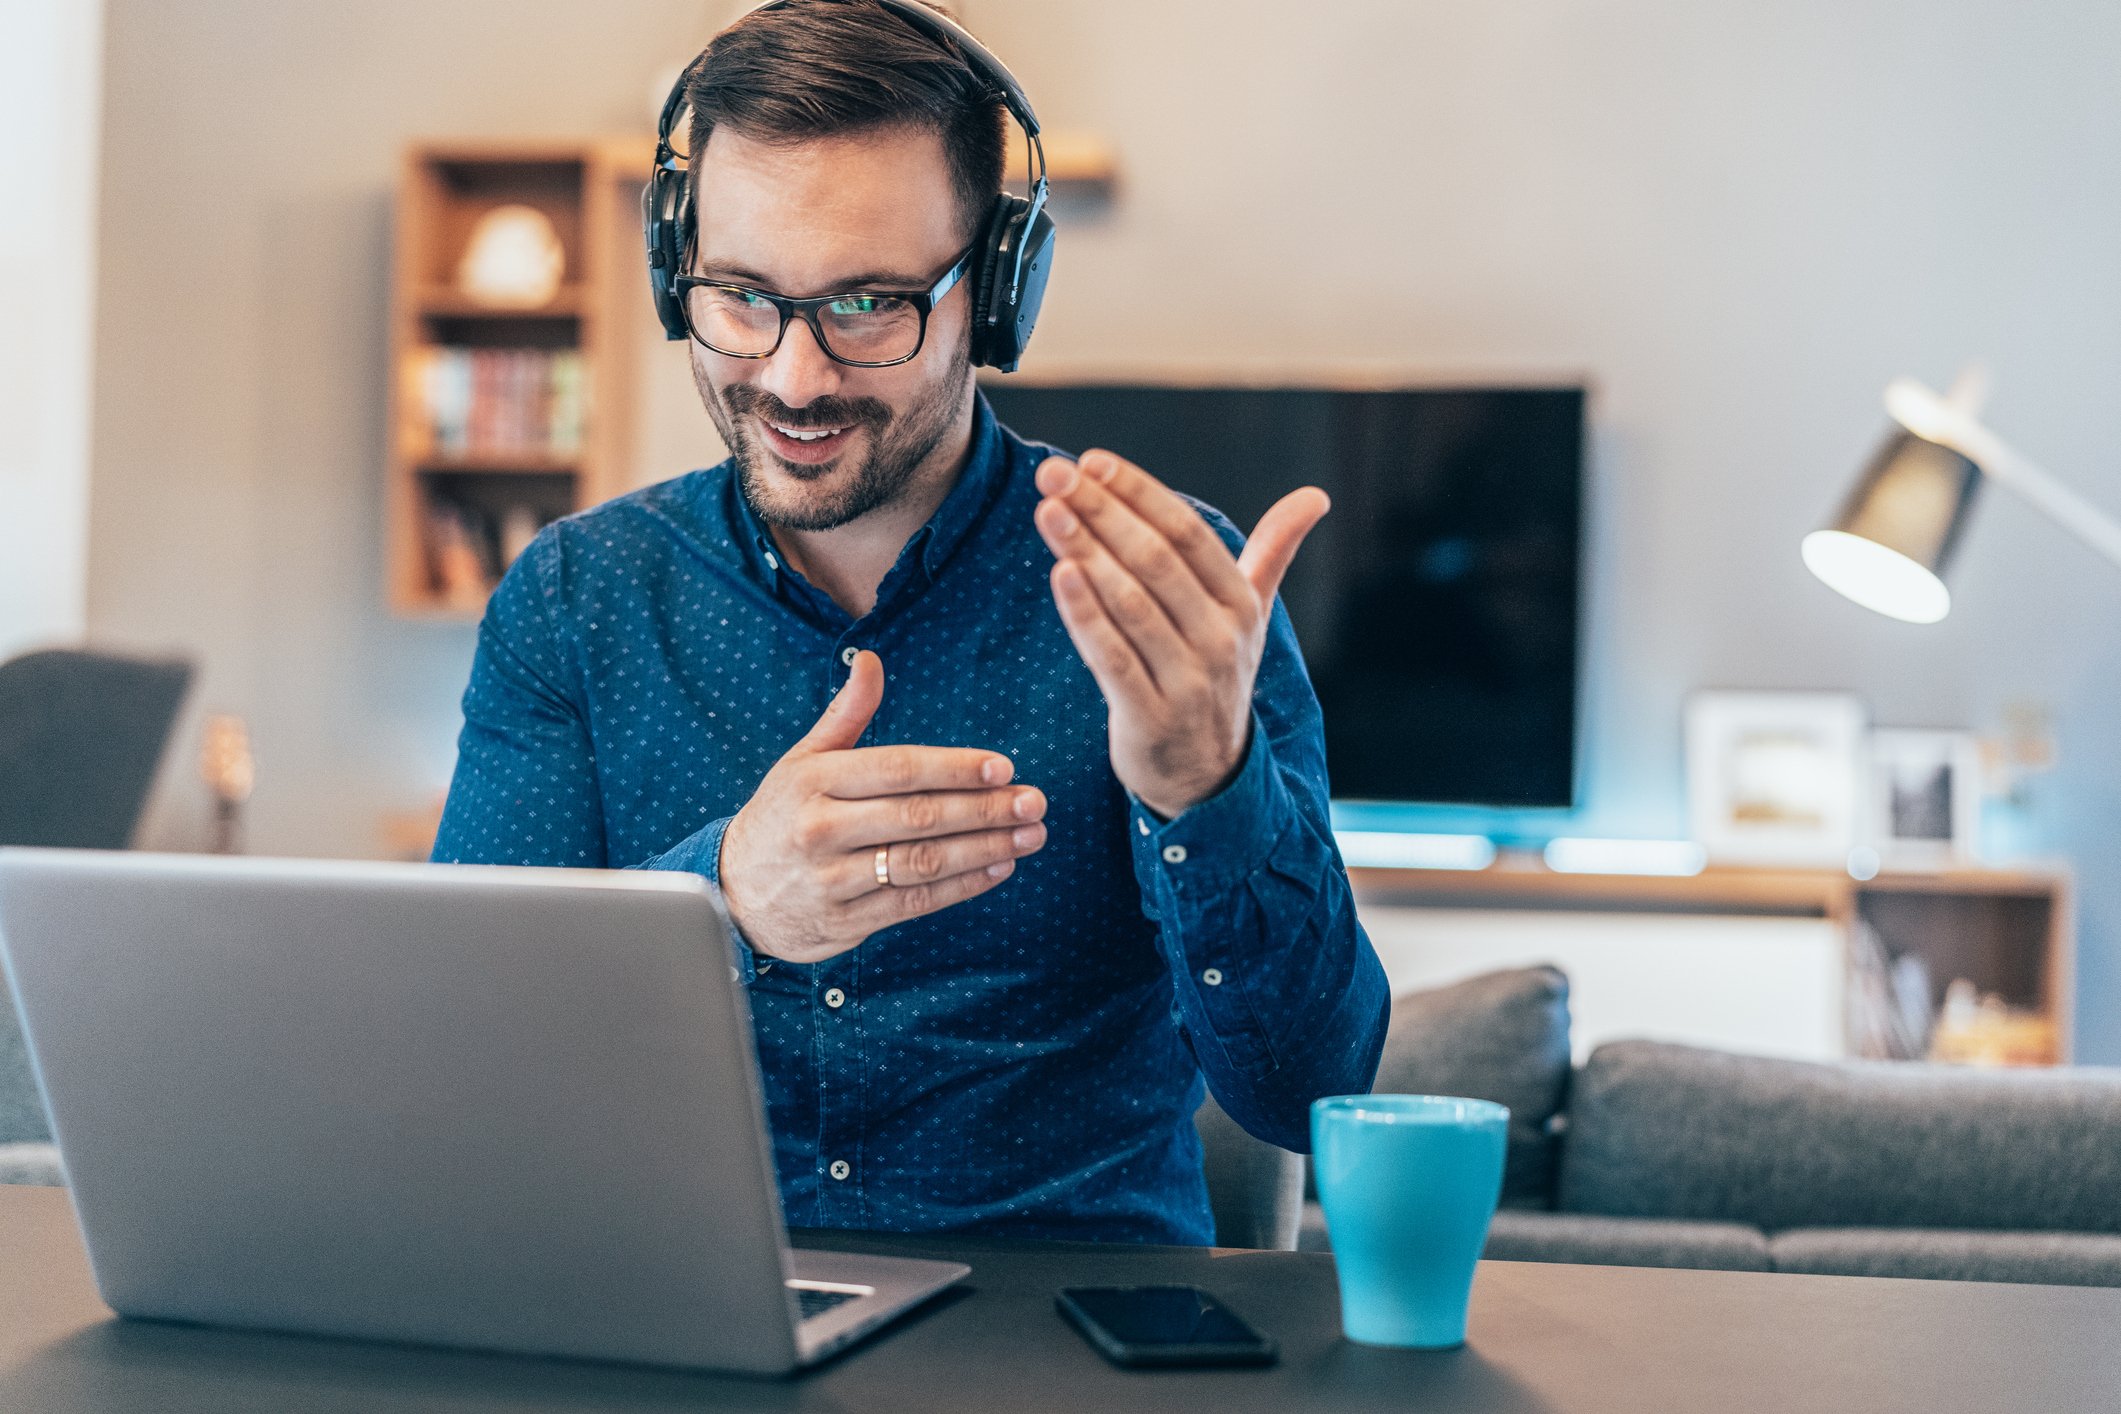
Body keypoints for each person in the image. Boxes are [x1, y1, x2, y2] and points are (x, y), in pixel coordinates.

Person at [433, 0, 1387, 1245]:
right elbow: (467, 1058)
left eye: (869, 304)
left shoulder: (1177, 593)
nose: (791, 377)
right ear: (679, 273)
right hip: (677, 1321)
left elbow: (1314, 1097)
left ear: (995, 289)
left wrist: (1205, 783)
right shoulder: (574, 602)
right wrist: (717, 900)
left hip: (1058, 1343)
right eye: (740, 295)